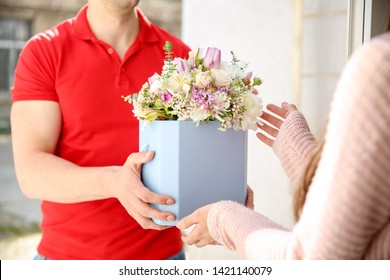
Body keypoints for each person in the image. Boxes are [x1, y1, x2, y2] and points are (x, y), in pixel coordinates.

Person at [177, 29, 390, 259]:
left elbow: (312, 261)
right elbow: (360, 217)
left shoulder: (381, 65)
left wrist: (223, 219)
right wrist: (307, 161)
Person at [10, 0, 192, 260]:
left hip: (162, 259)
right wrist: (114, 182)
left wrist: (223, 189)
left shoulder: (178, 56)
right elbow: (31, 171)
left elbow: (192, 155)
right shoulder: (44, 51)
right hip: (69, 260)